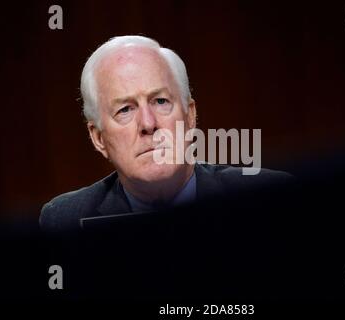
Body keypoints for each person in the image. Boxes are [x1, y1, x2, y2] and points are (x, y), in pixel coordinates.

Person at [39, 35, 293, 232]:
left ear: (190, 115)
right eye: (125, 109)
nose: (148, 123)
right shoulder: (64, 220)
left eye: (160, 101)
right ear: (98, 138)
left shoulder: (268, 198)